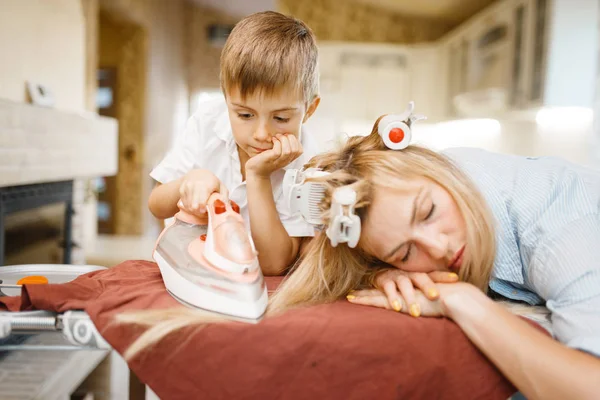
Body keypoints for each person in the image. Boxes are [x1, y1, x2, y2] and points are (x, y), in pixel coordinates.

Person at [123, 107, 600, 399]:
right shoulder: (434, 184)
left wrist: (465, 302)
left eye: (429, 211)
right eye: (405, 251)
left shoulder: (561, 228)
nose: (440, 249)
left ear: (435, 171)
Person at [147, 11, 322, 276]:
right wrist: (187, 183)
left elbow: (274, 264)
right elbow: (157, 205)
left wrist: (258, 175)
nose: (261, 133)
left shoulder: (311, 163)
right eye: (244, 115)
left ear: (309, 110)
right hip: (195, 267)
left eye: (281, 117)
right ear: (226, 99)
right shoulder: (207, 122)